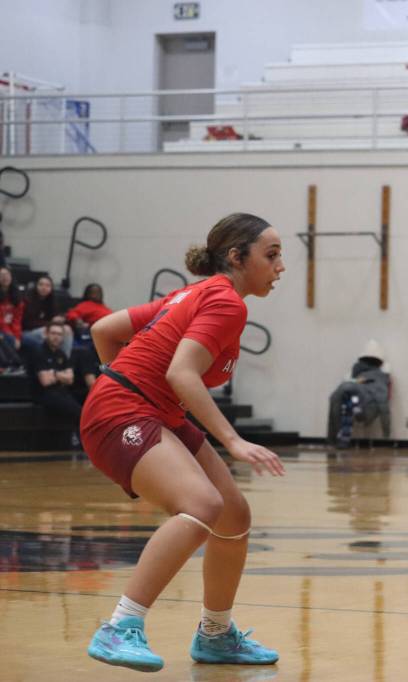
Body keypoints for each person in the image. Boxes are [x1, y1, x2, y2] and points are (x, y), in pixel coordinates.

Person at [82, 213, 285, 673]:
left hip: (148, 409)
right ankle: (120, 626)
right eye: (271, 255)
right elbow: (181, 373)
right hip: (124, 412)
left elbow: (105, 330)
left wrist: (125, 381)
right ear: (237, 257)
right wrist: (232, 440)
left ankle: (215, 634)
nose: (280, 266)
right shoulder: (226, 302)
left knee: (234, 515)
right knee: (201, 504)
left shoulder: (190, 293)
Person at [327, 339, 392, 446]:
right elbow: (384, 406)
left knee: (347, 399)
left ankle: (340, 440)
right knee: (349, 398)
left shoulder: (355, 373)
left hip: (357, 404)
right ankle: (341, 439)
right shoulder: (382, 376)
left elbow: (337, 396)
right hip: (364, 408)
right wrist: (387, 434)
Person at [27, 321, 82, 428]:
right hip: (43, 394)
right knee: (79, 413)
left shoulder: (61, 354)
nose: (56, 337)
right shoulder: (38, 351)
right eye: (53, 333)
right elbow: (45, 381)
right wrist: (61, 375)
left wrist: (54, 374)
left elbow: (70, 379)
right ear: (46, 334)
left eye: (59, 334)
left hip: (60, 391)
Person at [21, 275, 73, 356]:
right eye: (41, 284)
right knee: (54, 335)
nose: (44, 287)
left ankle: (65, 361)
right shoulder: (27, 300)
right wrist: (50, 323)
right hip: (27, 332)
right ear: (36, 286)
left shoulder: (51, 301)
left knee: (66, 329)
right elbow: (27, 323)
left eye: (47, 285)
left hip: (44, 329)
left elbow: (54, 317)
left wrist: (60, 319)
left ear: (51, 288)